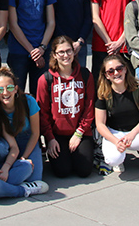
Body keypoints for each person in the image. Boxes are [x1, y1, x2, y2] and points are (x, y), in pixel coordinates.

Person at [94, 55, 139, 186]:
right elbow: (100, 124)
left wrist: (132, 134)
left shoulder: (137, 89)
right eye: (111, 71)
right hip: (116, 134)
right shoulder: (104, 94)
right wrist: (116, 141)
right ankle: (119, 160)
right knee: (113, 159)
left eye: (119, 68)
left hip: (135, 134)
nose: (116, 73)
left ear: (125, 69)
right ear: (106, 75)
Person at [37, 36, 95, 178]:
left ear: (74, 52)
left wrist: (79, 133)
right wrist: (50, 138)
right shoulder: (45, 80)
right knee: (62, 171)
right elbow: (42, 113)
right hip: (58, 134)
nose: (65, 55)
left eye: (69, 51)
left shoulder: (85, 75)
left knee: (84, 170)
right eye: (61, 52)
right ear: (54, 55)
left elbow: (90, 106)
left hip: (80, 132)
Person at [5, 0, 56, 96]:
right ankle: (19, 121)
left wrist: (41, 48)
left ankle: (36, 121)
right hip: (19, 51)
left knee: (41, 96)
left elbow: (51, 22)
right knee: (16, 94)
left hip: (42, 51)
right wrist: (31, 50)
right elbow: (13, 24)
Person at [0, 67, 44, 182]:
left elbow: (35, 134)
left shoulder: (28, 101)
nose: (5, 93)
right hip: (7, 144)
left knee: (35, 178)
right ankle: (2, 173)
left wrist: (24, 158)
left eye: (9, 87)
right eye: (0, 89)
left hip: (27, 140)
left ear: (15, 89)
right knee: (0, 148)